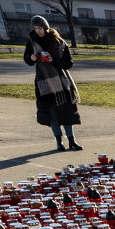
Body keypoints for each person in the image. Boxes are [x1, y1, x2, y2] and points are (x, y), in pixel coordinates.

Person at [23, 15, 82, 151]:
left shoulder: (58, 41)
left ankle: (72, 141)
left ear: (46, 27)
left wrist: (52, 61)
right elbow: (27, 59)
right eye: (35, 28)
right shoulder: (31, 42)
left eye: (40, 28)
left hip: (61, 82)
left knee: (66, 112)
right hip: (43, 83)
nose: (38, 31)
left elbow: (68, 63)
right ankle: (58, 142)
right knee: (52, 115)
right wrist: (32, 57)